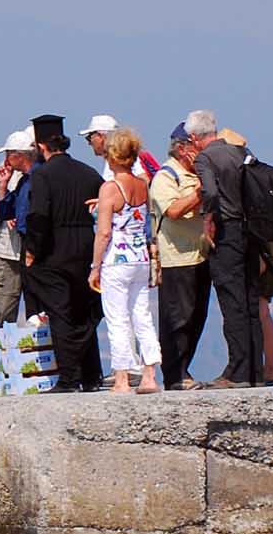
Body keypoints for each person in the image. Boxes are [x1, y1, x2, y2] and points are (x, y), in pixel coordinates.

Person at [22, 114, 105, 393]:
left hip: (55, 247)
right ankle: (92, 376)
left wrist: (33, 250)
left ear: (40, 145)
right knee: (84, 312)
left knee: (60, 313)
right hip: (85, 245)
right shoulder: (88, 172)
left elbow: (39, 215)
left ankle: (68, 378)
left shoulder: (42, 175)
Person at [188, 110, 263, 388]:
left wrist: (208, 220)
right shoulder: (238, 152)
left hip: (227, 231)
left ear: (195, 138)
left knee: (232, 303)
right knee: (249, 301)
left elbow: (210, 191)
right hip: (250, 231)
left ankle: (237, 372)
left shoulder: (205, 158)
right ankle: (255, 370)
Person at [89, 129, 161, 394]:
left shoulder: (109, 188)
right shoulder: (142, 184)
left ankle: (121, 378)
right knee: (142, 315)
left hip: (116, 260)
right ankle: (150, 374)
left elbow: (104, 232)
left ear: (112, 157)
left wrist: (95, 266)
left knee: (117, 318)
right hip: (140, 258)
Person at [149, 122, 210, 390]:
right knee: (177, 318)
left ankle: (185, 369)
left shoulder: (199, 174)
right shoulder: (166, 177)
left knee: (197, 315)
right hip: (177, 258)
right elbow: (173, 211)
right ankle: (175, 374)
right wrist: (200, 192)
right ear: (183, 148)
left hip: (201, 255)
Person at [221, 128, 273, 385]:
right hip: (268, 245)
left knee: (255, 309)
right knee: (262, 307)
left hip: (253, 245)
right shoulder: (262, 173)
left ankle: (263, 368)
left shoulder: (241, 176)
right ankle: (268, 367)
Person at [0, 129, 34, 325]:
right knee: (3, 312)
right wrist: (6, 214)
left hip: (31, 252)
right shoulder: (6, 169)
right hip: (7, 250)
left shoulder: (39, 173)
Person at [81, 114, 160, 180]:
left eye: (89, 137)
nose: (89, 143)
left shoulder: (123, 156)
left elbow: (144, 179)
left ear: (101, 136)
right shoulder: (113, 159)